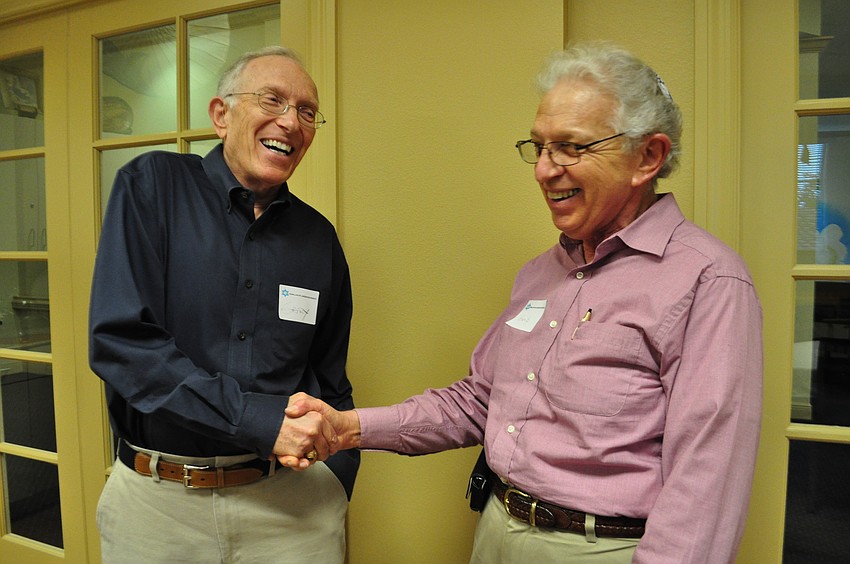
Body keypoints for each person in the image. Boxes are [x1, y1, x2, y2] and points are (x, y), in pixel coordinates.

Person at [286, 42, 763, 563]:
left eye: (571, 147)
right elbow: (479, 401)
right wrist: (348, 427)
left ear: (647, 157)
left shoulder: (708, 279)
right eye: (538, 147)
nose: (544, 170)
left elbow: (707, 484)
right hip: (497, 531)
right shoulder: (541, 273)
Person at [89, 46, 357, 563]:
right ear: (221, 115)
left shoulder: (319, 239)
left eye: (306, 111)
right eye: (272, 100)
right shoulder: (151, 187)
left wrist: (337, 482)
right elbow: (122, 344)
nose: (291, 121)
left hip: (291, 510)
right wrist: (258, 421)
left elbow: (330, 378)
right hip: (159, 506)